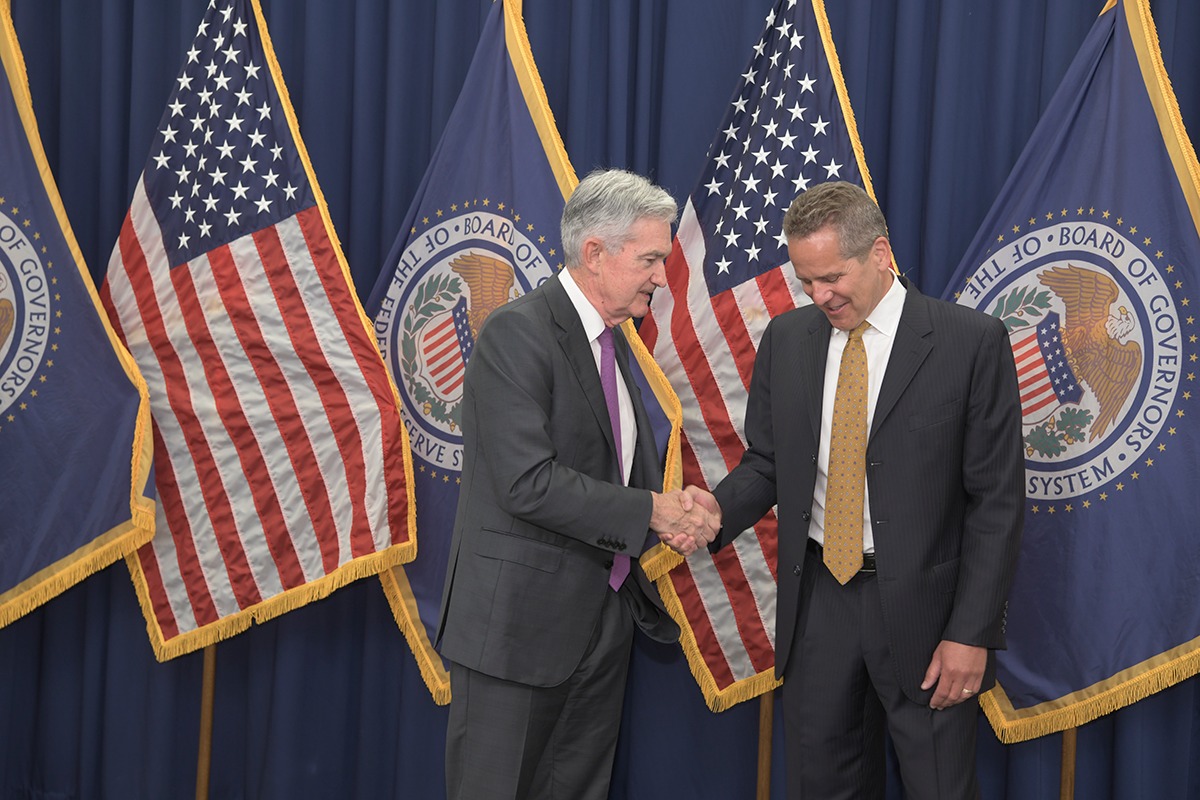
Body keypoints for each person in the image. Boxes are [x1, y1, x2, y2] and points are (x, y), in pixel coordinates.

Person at [692, 182, 1024, 799]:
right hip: (820, 603)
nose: (820, 295)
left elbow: (997, 503)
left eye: (832, 277)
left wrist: (972, 632)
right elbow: (768, 462)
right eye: (805, 280)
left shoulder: (970, 342)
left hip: (929, 616)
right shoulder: (787, 339)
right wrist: (716, 509)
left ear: (879, 253)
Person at [436, 168, 719, 800]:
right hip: (517, 632)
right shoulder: (517, 331)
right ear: (595, 253)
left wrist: (676, 509)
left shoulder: (613, 344)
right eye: (650, 259)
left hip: (601, 623)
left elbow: (606, 471)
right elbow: (526, 483)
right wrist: (652, 511)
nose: (660, 276)